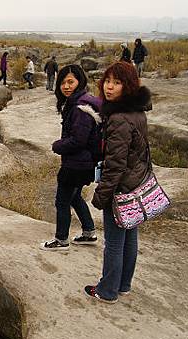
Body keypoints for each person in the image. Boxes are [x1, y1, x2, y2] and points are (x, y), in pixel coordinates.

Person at [86, 61, 152, 304]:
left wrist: (102, 194)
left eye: (117, 82)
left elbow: (115, 165)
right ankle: (123, 285)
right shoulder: (138, 111)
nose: (109, 87)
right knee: (130, 236)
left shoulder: (119, 118)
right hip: (135, 185)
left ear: (129, 85)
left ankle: (107, 291)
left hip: (121, 188)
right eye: (107, 81)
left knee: (114, 242)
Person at [40, 64, 102, 252]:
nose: (66, 86)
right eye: (63, 83)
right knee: (74, 197)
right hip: (85, 162)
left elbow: (78, 140)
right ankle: (89, 233)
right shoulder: (80, 102)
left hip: (77, 164)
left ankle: (61, 240)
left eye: (70, 82)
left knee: (62, 201)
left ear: (79, 81)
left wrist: (57, 146)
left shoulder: (80, 108)